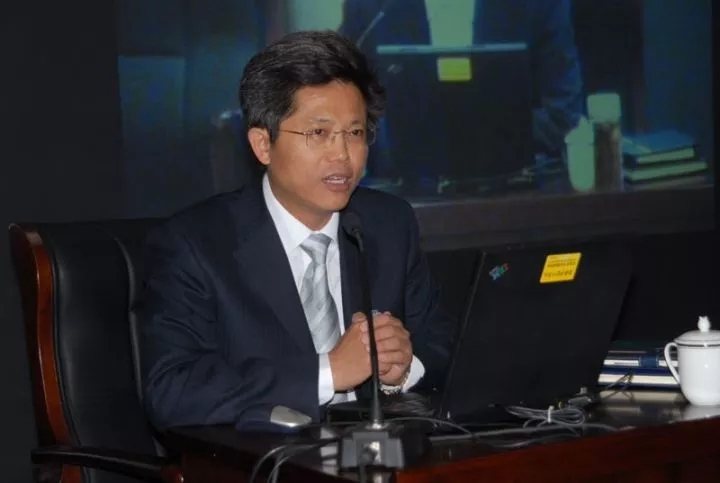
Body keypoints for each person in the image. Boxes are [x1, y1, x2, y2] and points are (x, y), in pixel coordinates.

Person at [138, 30, 455, 431]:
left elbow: (443, 345)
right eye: (318, 133)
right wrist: (329, 372)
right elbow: (172, 390)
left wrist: (404, 368)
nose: (342, 155)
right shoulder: (194, 245)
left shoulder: (388, 223)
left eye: (355, 133)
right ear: (262, 145)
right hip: (265, 458)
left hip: (379, 454)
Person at [340, 0, 584, 180]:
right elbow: (342, 102)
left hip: (516, 188)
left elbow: (563, 109)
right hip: (404, 194)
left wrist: (493, 145)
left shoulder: (540, 4)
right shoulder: (372, 6)